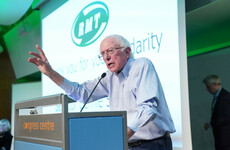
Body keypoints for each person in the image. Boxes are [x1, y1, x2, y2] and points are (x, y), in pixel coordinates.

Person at [28, 34, 175, 150]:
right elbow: (81, 93)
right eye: (102, 54)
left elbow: (147, 109)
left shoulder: (141, 66)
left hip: (152, 145)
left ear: (127, 51)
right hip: (127, 145)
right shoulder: (108, 77)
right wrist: (50, 73)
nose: (106, 57)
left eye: (110, 51)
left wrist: (120, 137)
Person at [203, 75, 230, 150]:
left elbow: (227, 117)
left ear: (215, 85)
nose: (206, 89)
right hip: (220, 138)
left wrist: (211, 124)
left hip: (226, 140)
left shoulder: (225, 97)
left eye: (208, 87)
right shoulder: (217, 97)